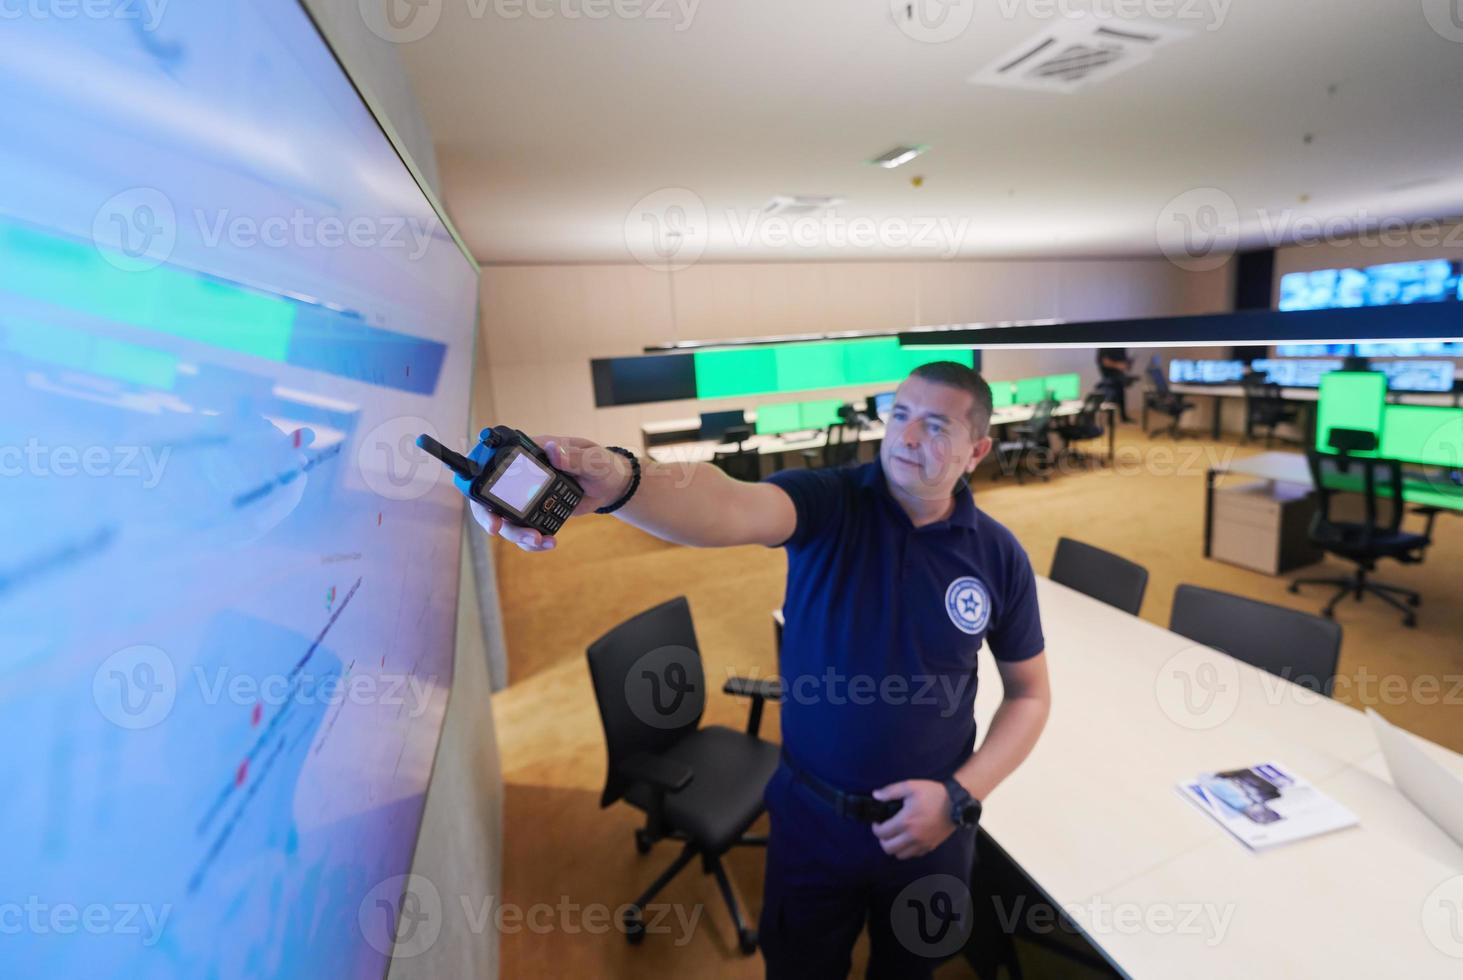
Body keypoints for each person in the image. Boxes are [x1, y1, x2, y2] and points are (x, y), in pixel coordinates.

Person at [474, 361, 1051, 979]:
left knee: (910, 970)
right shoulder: (830, 503)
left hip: (931, 831)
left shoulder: (998, 556)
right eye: (900, 415)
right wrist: (621, 482)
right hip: (812, 819)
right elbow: (727, 505)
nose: (907, 438)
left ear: (977, 451)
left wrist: (961, 798)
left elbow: (1029, 694)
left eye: (936, 426)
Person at [1096, 347, 1133, 422]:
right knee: (1111, 398)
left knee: (1121, 396)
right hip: (1108, 376)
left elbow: (1124, 361)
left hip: (1119, 376)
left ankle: (1123, 417)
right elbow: (1104, 361)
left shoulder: (1122, 348)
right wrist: (1118, 365)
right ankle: (1110, 419)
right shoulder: (1104, 347)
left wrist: (1126, 365)